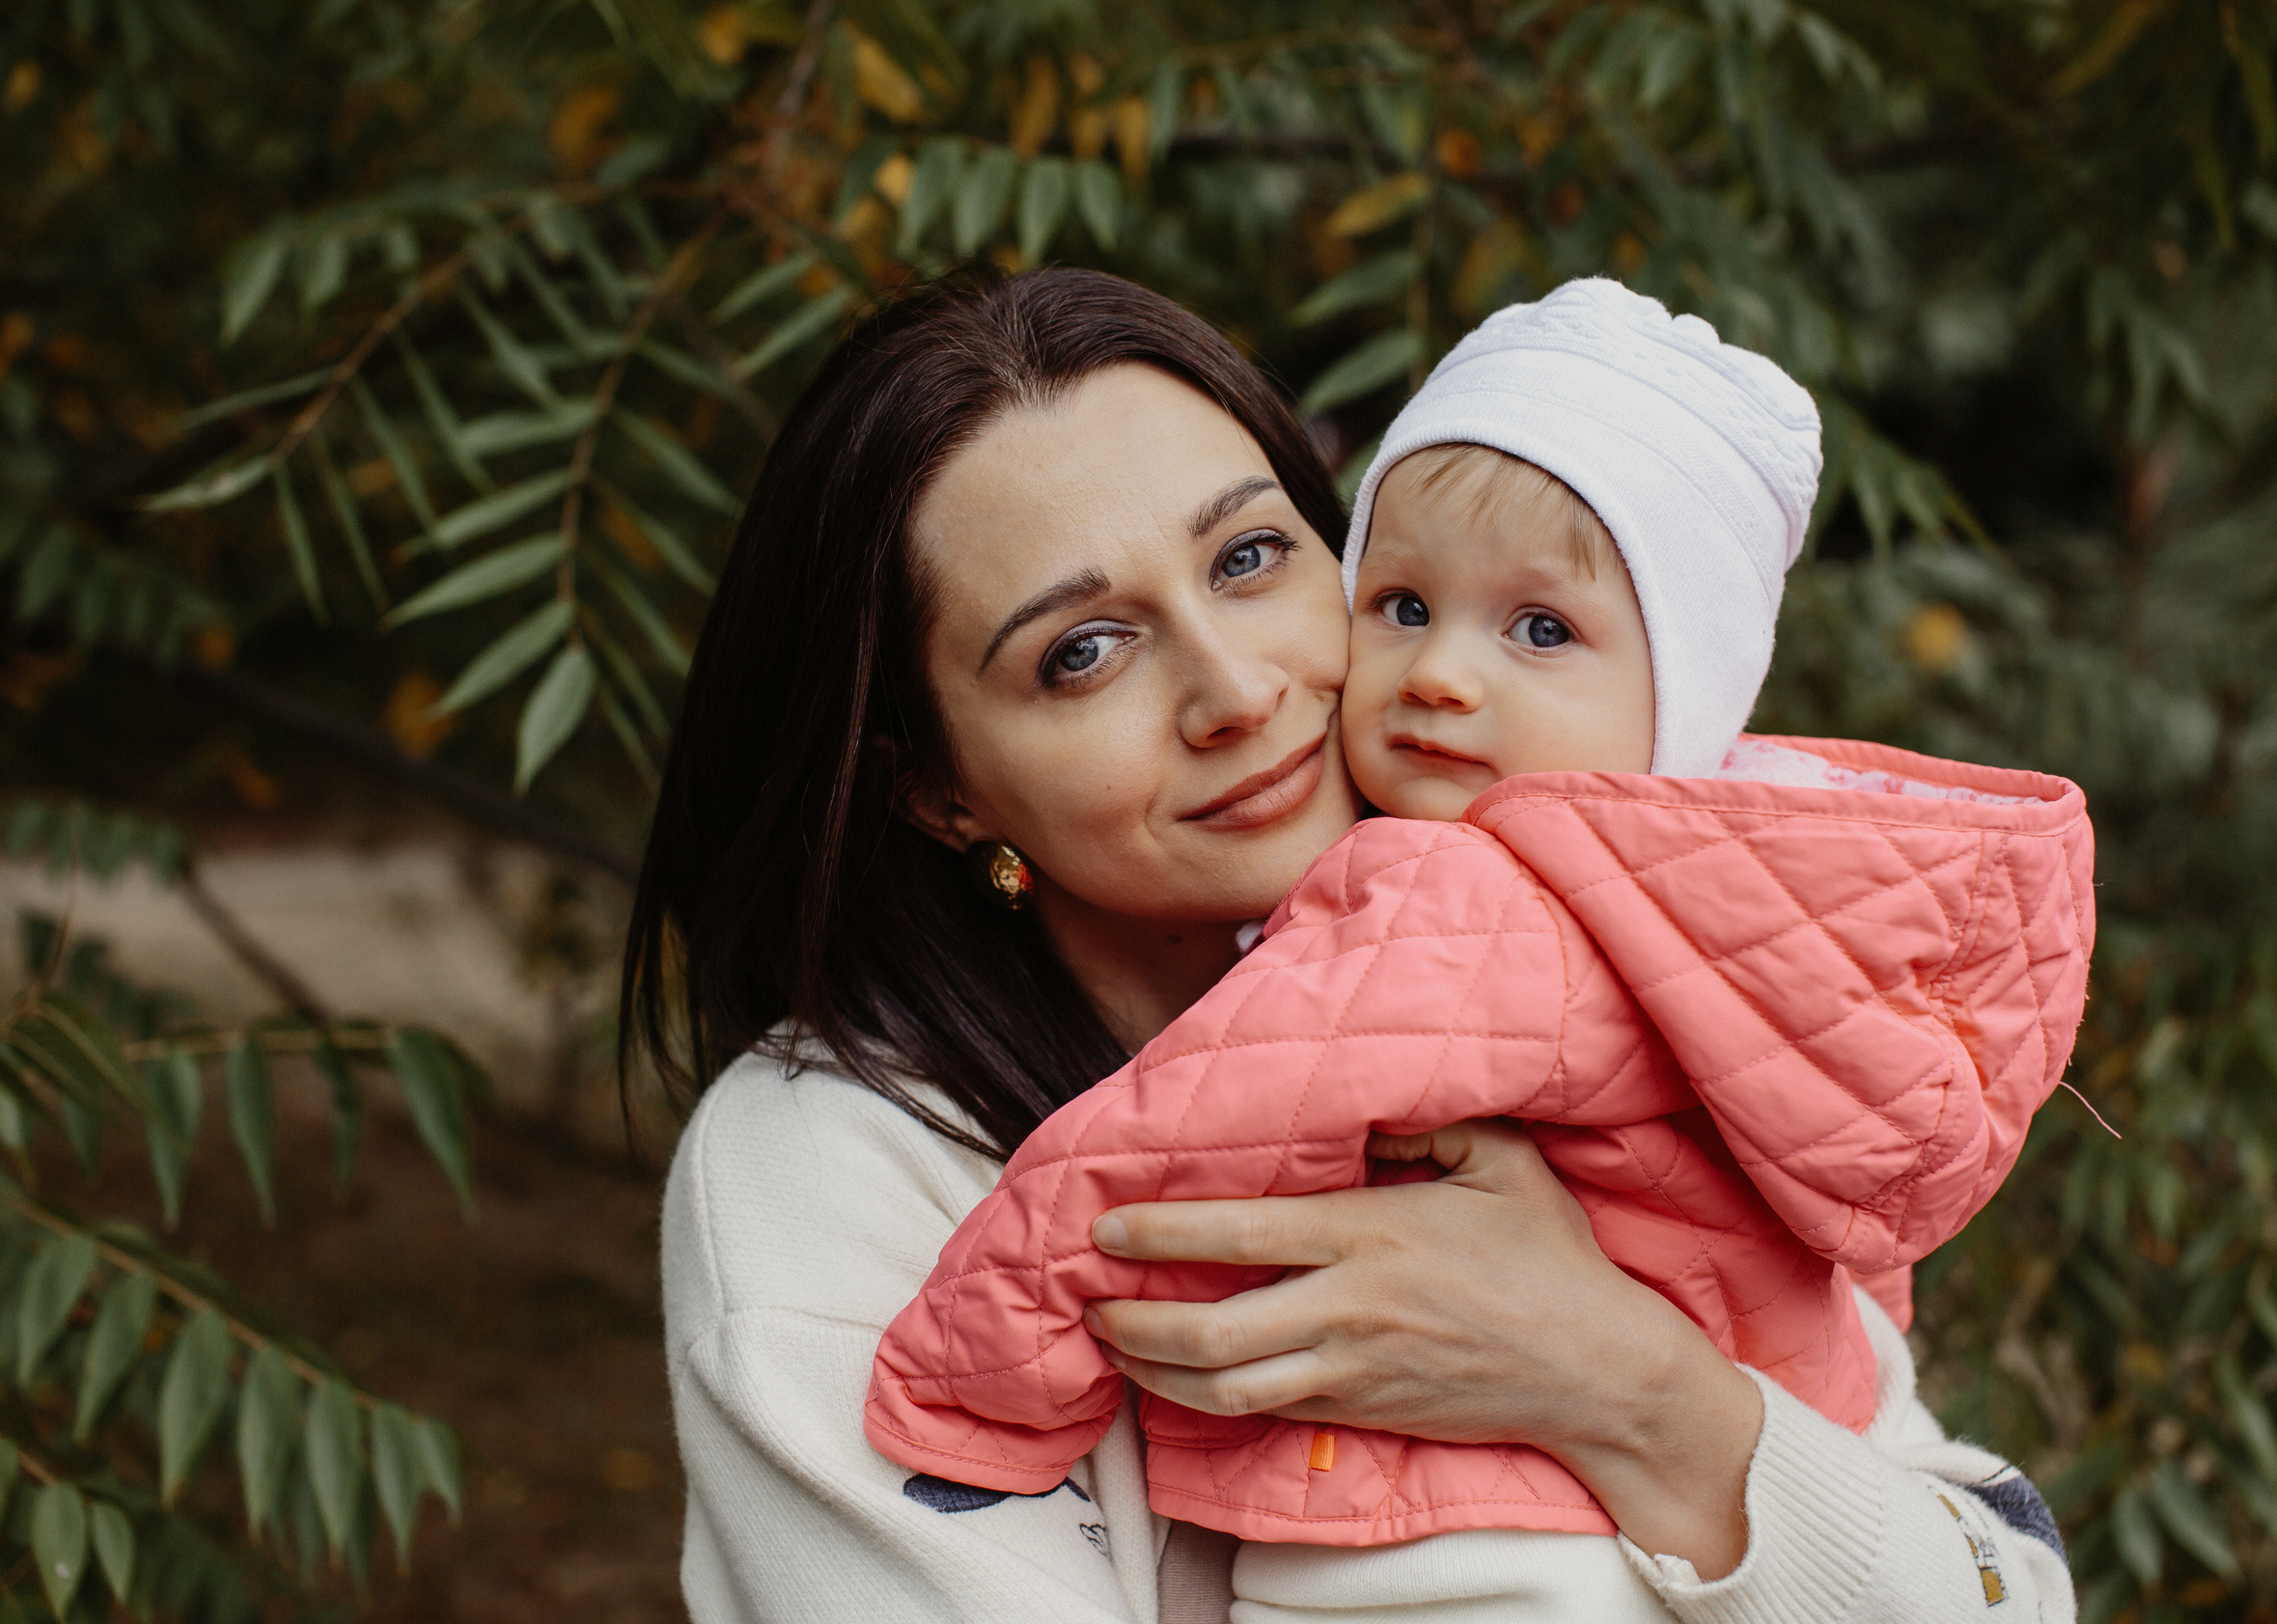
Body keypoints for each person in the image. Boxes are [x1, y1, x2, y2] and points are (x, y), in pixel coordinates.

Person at [630, 269, 2078, 1623]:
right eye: (1082, 654)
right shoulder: (836, 1169)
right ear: (940, 788)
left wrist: (1629, 1389)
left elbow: (2006, 1579)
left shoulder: (1627, 993)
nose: (1238, 688)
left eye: (1253, 557)